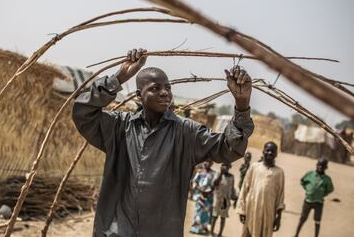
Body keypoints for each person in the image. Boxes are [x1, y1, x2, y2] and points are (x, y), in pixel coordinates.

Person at [72, 48, 254, 236]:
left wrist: (242, 106)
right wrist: (120, 77)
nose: (164, 93)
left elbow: (228, 149)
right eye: (155, 88)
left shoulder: (186, 132)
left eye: (168, 87)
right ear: (138, 95)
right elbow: (82, 112)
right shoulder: (119, 127)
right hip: (116, 231)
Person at [237, 141, 285, 237]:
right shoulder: (254, 167)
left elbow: (280, 196)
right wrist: (242, 210)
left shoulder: (279, 173)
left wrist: (278, 217)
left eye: (273, 151)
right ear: (263, 152)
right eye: (268, 150)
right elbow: (244, 188)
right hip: (252, 210)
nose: (270, 153)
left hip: (268, 213)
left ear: (276, 154)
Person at [294, 158, 334, 237]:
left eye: (322, 166)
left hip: (318, 203)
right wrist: (308, 189)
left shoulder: (326, 179)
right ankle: (296, 234)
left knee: (317, 221)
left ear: (326, 168)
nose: (320, 167)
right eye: (319, 165)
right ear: (316, 165)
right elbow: (302, 181)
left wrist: (322, 194)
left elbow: (330, 189)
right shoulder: (310, 174)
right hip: (308, 201)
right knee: (302, 218)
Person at [190, 159, 216, 235]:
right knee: (198, 212)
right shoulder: (200, 172)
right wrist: (199, 189)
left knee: (205, 213)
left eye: (208, 161)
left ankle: (203, 229)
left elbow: (214, 185)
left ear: (211, 163)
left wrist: (209, 192)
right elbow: (194, 182)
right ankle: (195, 228)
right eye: (206, 161)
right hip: (199, 195)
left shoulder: (214, 174)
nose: (206, 163)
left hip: (208, 196)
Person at [210, 162, 237, 237]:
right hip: (217, 198)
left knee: (223, 217)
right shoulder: (218, 174)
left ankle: (220, 233)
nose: (224, 167)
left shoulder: (231, 177)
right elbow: (214, 184)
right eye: (223, 165)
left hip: (225, 200)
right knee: (214, 216)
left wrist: (234, 197)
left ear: (229, 167)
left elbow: (232, 188)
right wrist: (220, 174)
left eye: (226, 165)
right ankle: (211, 232)